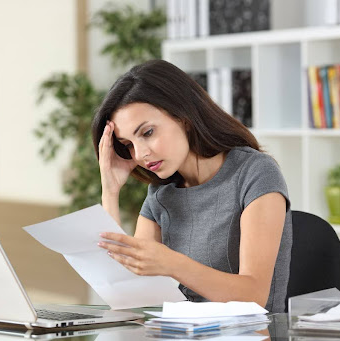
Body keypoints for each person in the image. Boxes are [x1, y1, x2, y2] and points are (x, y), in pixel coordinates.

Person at [91, 59, 292, 313]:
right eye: (128, 144)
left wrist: (172, 264)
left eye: (147, 133)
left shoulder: (254, 173)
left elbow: (253, 296)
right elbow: (129, 294)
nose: (140, 153)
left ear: (183, 117)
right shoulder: (161, 193)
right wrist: (110, 190)